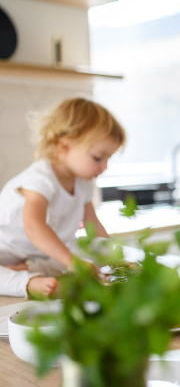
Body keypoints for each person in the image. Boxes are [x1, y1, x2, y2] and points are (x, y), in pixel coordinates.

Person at [0, 98, 126, 298]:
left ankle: (30, 267)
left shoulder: (83, 182)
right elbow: (34, 227)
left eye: (108, 159)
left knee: (89, 253)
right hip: (5, 249)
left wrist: (115, 259)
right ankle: (28, 282)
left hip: (41, 252)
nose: (105, 166)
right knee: (70, 259)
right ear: (65, 146)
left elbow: (93, 226)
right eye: (98, 158)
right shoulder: (40, 179)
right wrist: (72, 262)